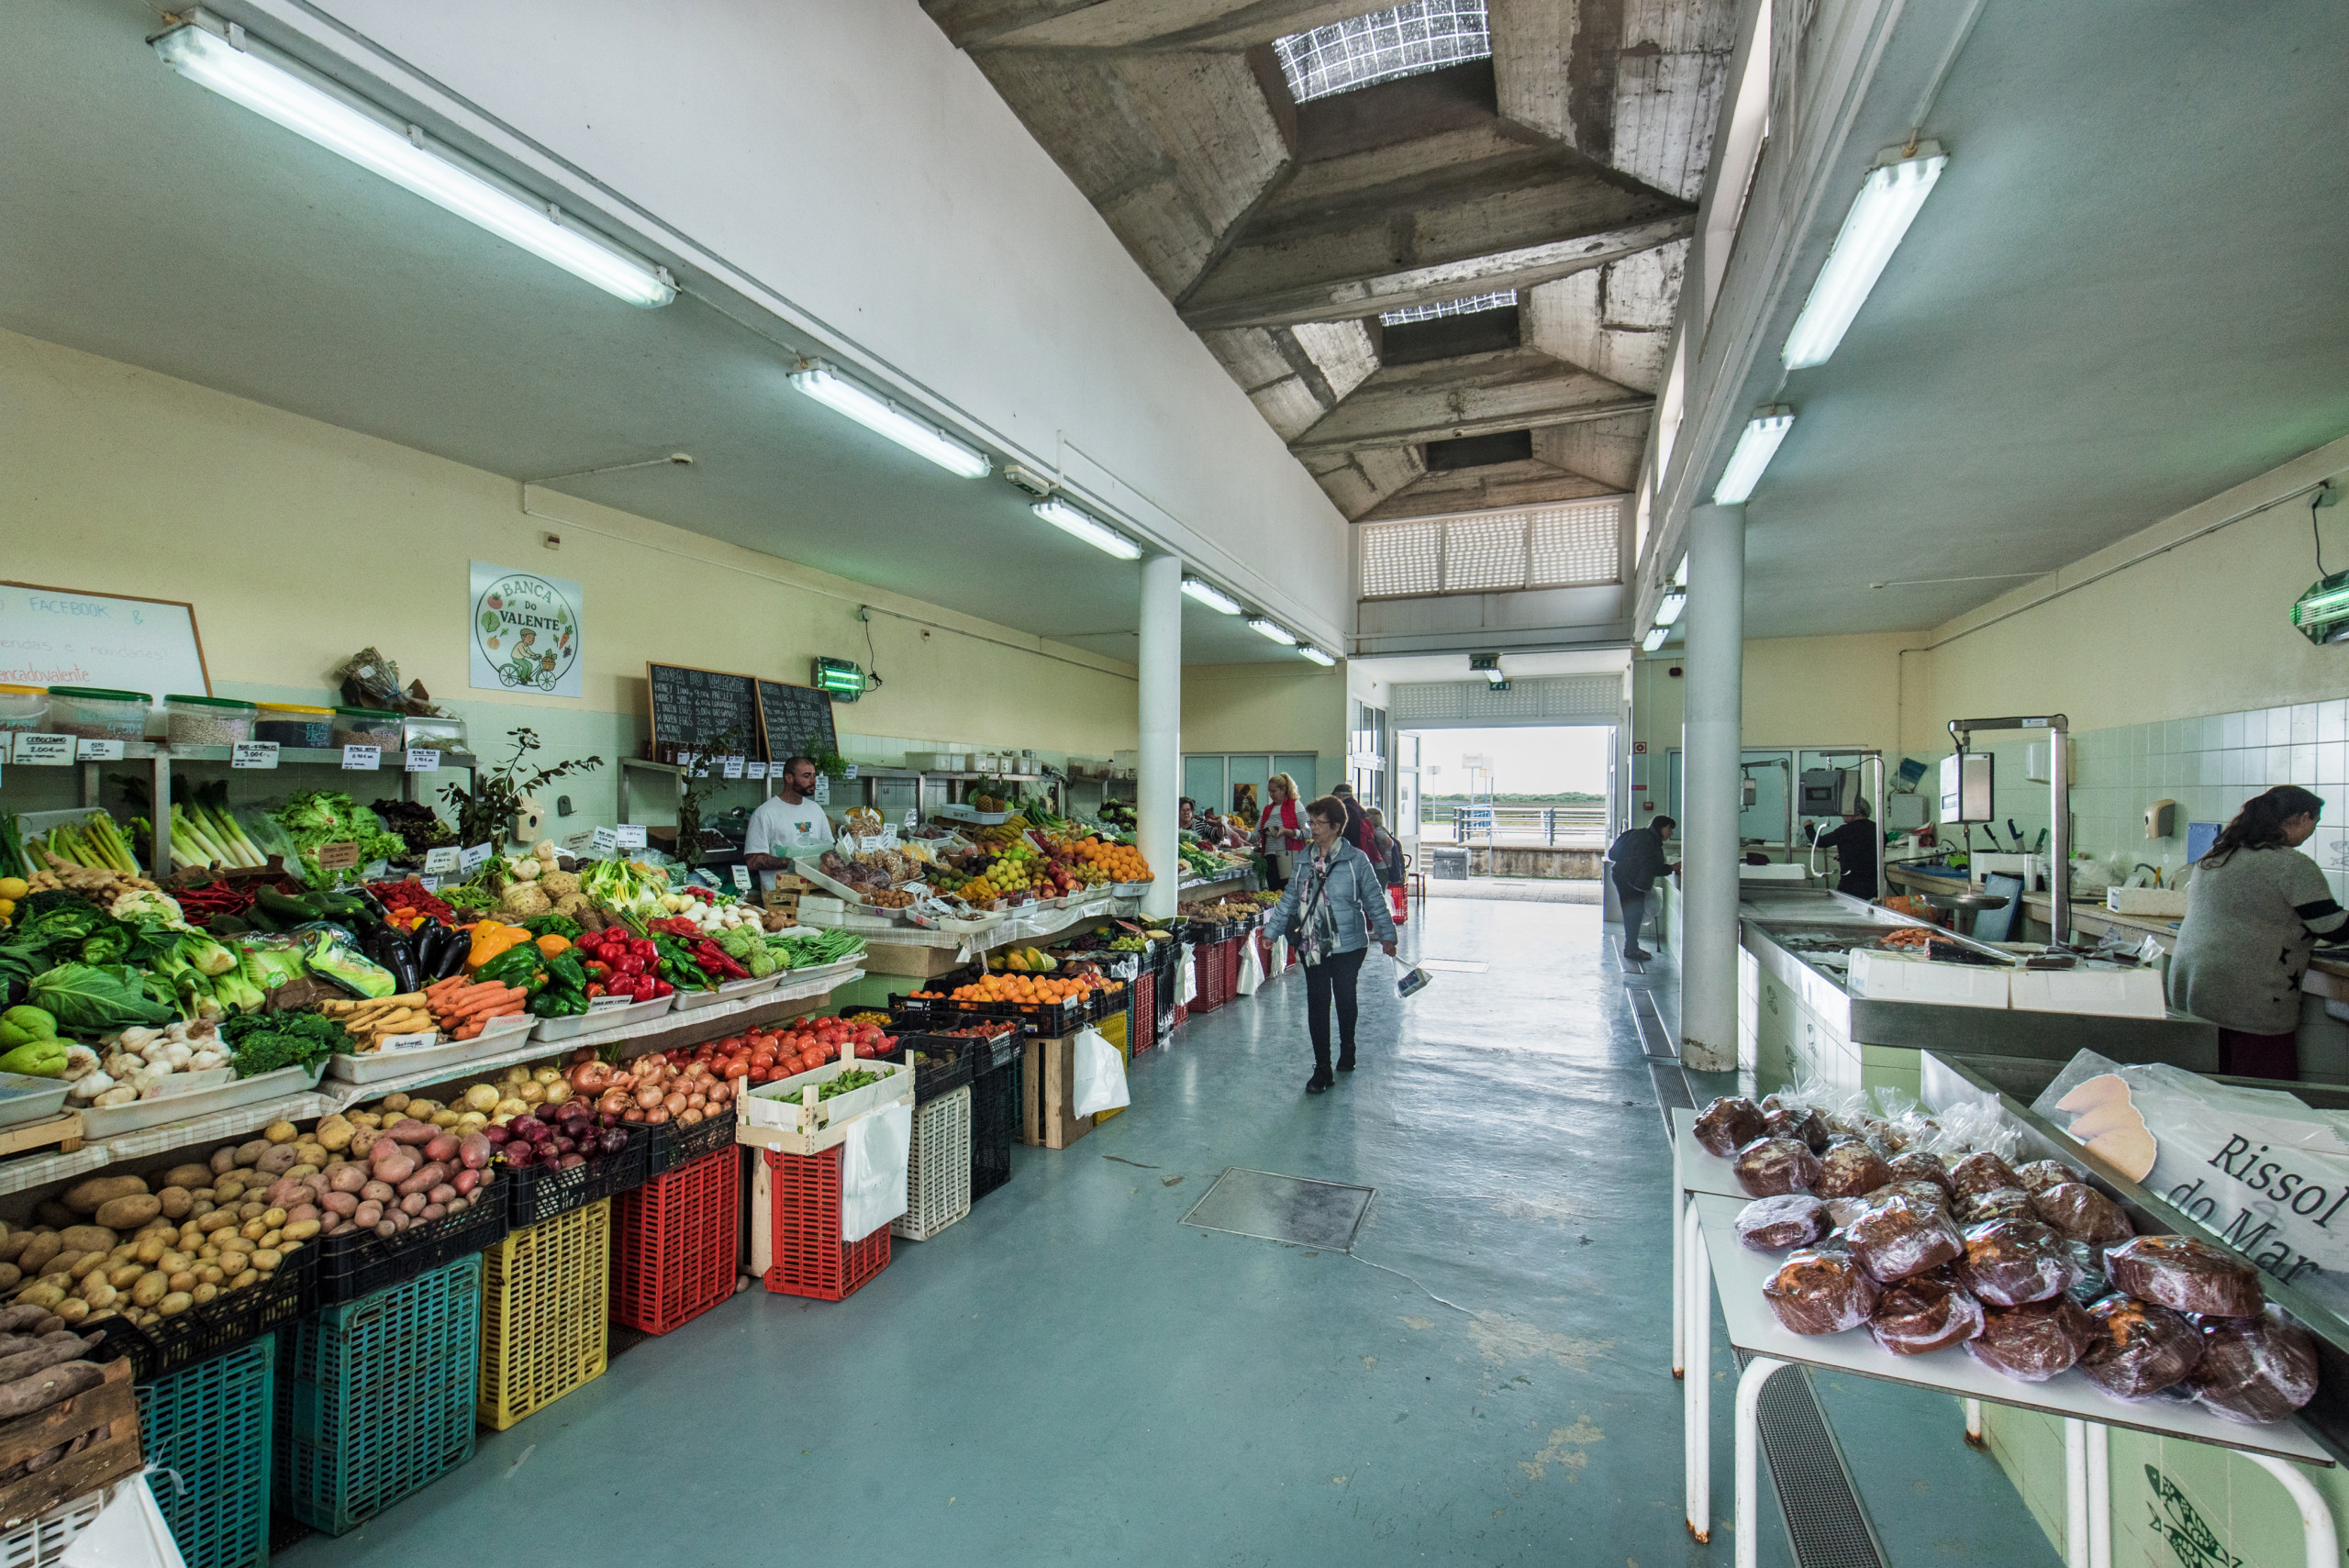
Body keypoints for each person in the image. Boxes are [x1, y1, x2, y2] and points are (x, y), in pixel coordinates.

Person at [2168, 785, 2346, 1079]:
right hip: (2250, 993)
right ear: (2303, 817)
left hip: (2196, 986)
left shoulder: (2217, 855)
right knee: (2263, 1089)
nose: (2312, 832)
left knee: (2211, 1081)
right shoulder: (2291, 864)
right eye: (2314, 823)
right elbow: (2333, 927)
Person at [1261, 795, 1398, 1094]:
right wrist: (1272, 931)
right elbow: (1289, 899)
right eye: (1311, 822)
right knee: (1318, 1002)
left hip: (1349, 945)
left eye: (1319, 823)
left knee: (1346, 999)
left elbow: (1374, 900)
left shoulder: (1356, 860)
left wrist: (1387, 935)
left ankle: (1348, 1048)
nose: (1312, 828)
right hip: (1312, 943)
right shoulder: (1304, 859)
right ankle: (1322, 1068)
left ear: (1336, 826)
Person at [742, 756, 833, 881]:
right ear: (789, 778)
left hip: (814, 887)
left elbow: (829, 848)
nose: (813, 781)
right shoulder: (765, 813)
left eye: (814, 775)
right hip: (779, 891)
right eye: (806, 776)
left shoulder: (816, 809)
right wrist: (794, 863)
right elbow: (753, 860)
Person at [1606, 814, 1678, 962]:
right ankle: (1631, 949)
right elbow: (1653, 868)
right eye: (1669, 829)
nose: (1671, 833)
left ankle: (1632, 947)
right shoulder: (1649, 842)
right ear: (1660, 827)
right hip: (1631, 882)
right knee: (1634, 915)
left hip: (1621, 876)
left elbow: (1613, 854)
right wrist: (1672, 867)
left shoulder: (1638, 834)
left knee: (1632, 915)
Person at [1810, 802, 1881, 899]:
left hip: (1851, 884)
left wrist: (1808, 827)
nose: (1842, 815)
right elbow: (1869, 851)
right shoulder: (1877, 829)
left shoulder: (1846, 830)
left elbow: (1820, 842)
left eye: (1844, 811)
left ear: (1854, 811)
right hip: (1874, 884)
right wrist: (1846, 855)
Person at [1255, 772, 1307, 892]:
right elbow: (1255, 836)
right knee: (1274, 893)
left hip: (1289, 860)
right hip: (1270, 859)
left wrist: (1286, 832)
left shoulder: (1296, 805)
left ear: (1283, 790)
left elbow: (1308, 833)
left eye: (1274, 791)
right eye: (1269, 791)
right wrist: (1234, 831)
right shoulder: (1267, 810)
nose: (1271, 795)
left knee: (1288, 895)